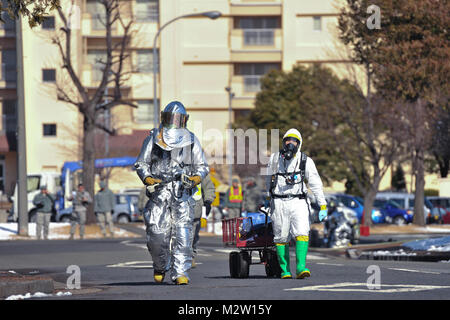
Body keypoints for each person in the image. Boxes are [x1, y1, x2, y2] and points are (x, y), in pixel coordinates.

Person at [134, 101, 209, 285]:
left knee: (183, 234)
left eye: (178, 119)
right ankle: (160, 265)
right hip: (159, 192)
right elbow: (141, 163)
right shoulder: (153, 138)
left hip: (182, 192)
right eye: (171, 118)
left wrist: (195, 179)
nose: (174, 122)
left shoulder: (191, 139)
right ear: (164, 118)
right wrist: (148, 178)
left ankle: (180, 273)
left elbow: (202, 166)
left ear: (184, 120)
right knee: (156, 233)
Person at [266, 128, 327, 279]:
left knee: (302, 232)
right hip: (279, 202)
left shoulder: (305, 160)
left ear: (299, 144)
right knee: (280, 236)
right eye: (287, 141)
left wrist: (322, 205)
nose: (290, 144)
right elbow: (268, 181)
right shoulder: (275, 159)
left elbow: (315, 184)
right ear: (283, 142)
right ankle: (285, 270)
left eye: (294, 141)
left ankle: (300, 267)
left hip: (298, 201)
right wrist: (268, 200)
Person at [192, 173, 216, 267]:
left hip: (195, 210)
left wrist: (208, 201)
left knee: (192, 236)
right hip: (177, 210)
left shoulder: (200, 172)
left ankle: (190, 257)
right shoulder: (174, 168)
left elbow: (209, 187)